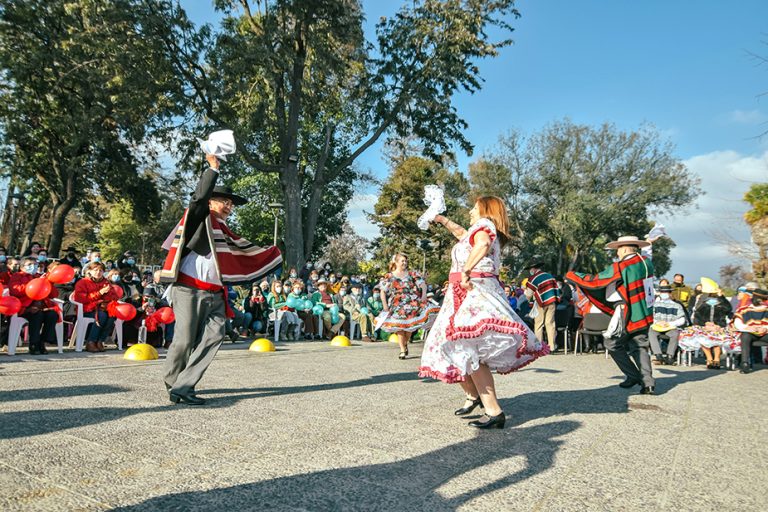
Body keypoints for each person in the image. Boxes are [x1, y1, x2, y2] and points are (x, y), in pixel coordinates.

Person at [159, 153, 281, 405]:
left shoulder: (225, 233)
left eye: (231, 204)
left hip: (216, 292)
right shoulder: (199, 219)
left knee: (215, 336)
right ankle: (174, 381)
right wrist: (212, 169)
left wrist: (270, 253)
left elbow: (239, 258)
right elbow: (198, 199)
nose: (228, 206)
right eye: (224, 201)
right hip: (188, 288)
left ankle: (184, 385)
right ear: (211, 202)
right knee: (184, 340)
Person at [419, 197, 547, 430]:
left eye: (474, 207)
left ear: (485, 210)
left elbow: (481, 245)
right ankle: (476, 396)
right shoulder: (480, 228)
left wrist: (466, 271)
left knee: (468, 348)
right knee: (455, 346)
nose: (470, 210)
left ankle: (493, 410)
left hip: (473, 291)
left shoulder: (485, 225)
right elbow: (464, 235)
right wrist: (442, 219)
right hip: (466, 292)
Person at [566, 235, 656, 395]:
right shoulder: (646, 263)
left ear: (625, 248)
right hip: (644, 312)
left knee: (611, 344)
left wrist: (574, 276)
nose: (617, 253)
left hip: (627, 312)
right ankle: (648, 383)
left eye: (618, 250)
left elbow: (597, 280)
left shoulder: (622, 266)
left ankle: (633, 375)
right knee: (640, 346)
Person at [380, 253, 438, 359]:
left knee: (409, 328)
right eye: (402, 261)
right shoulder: (389, 276)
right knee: (400, 327)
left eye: (406, 261)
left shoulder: (412, 274)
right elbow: (382, 291)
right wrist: (385, 306)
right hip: (397, 304)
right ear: (396, 262)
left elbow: (423, 285)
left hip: (412, 302)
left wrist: (424, 295)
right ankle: (402, 349)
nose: (405, 263)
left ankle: (405, 343)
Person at [678, 278, 735, 370]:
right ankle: (709, 358)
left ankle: (717, 359)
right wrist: (705, 324)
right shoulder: (703, 301)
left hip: (718, 327)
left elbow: (728, 309)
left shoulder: (721, 302)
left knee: (718, 339)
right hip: (705, 327)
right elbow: (697, 315)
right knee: (703, 338)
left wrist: (721, 297)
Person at [9, 257, 59, 355]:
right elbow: (15, 290)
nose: (34, 267)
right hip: (24, 307)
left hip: (41, 305)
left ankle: (42, 341)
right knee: (37, 315)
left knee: (52, 314)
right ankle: (34, 344)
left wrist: (48, 283)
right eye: (30, 265)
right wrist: (35, 283)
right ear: (22, 266)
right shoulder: (17, 276)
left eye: (36, 265)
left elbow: (53, 295)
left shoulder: (39, 276)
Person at [73, 262, 123, 352]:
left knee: (112, 316)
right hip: (86, 308)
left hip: (102, 308)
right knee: (102, 316)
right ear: (90, 271)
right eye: (95, 270)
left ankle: (100, 341)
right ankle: (91, 342)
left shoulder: (106, 282)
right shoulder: (83, 282)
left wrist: (107, 297)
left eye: (101, 270)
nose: (98, 272)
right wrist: (99, 293)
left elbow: (113, 297)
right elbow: (81, 299)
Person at [648, 284, 688, 365]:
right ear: (659, 293)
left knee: (675, 334)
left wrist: (669, 324)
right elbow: (650, 317)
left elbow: (682, 319)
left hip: (670, 328)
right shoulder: (654, 305)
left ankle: (670, 356)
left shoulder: (677, 306)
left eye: (666, 292)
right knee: (651, 332)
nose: (664, 293)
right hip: (657, 327)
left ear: (670, 293)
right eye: (662, 292)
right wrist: (658, 322)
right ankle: (658, 354)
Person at [524, 262, 560, 351]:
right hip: (552, 302)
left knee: (539, 324)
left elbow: (529, 294)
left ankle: (539, 346)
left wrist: (528, 298)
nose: (530, 271)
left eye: (530, 269)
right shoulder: (550, 276)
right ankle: (551, 346)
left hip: (540, 303)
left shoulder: (533, 278)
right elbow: (556, 289)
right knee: (550, 323)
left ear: (533, 269)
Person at [732, 289, 768, 374]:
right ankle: (745, 363)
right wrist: (748, 328)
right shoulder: (744, 309)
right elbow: (737, 323)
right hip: (751, 334)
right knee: (745, 336)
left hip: (766, 334)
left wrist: (765, 328)